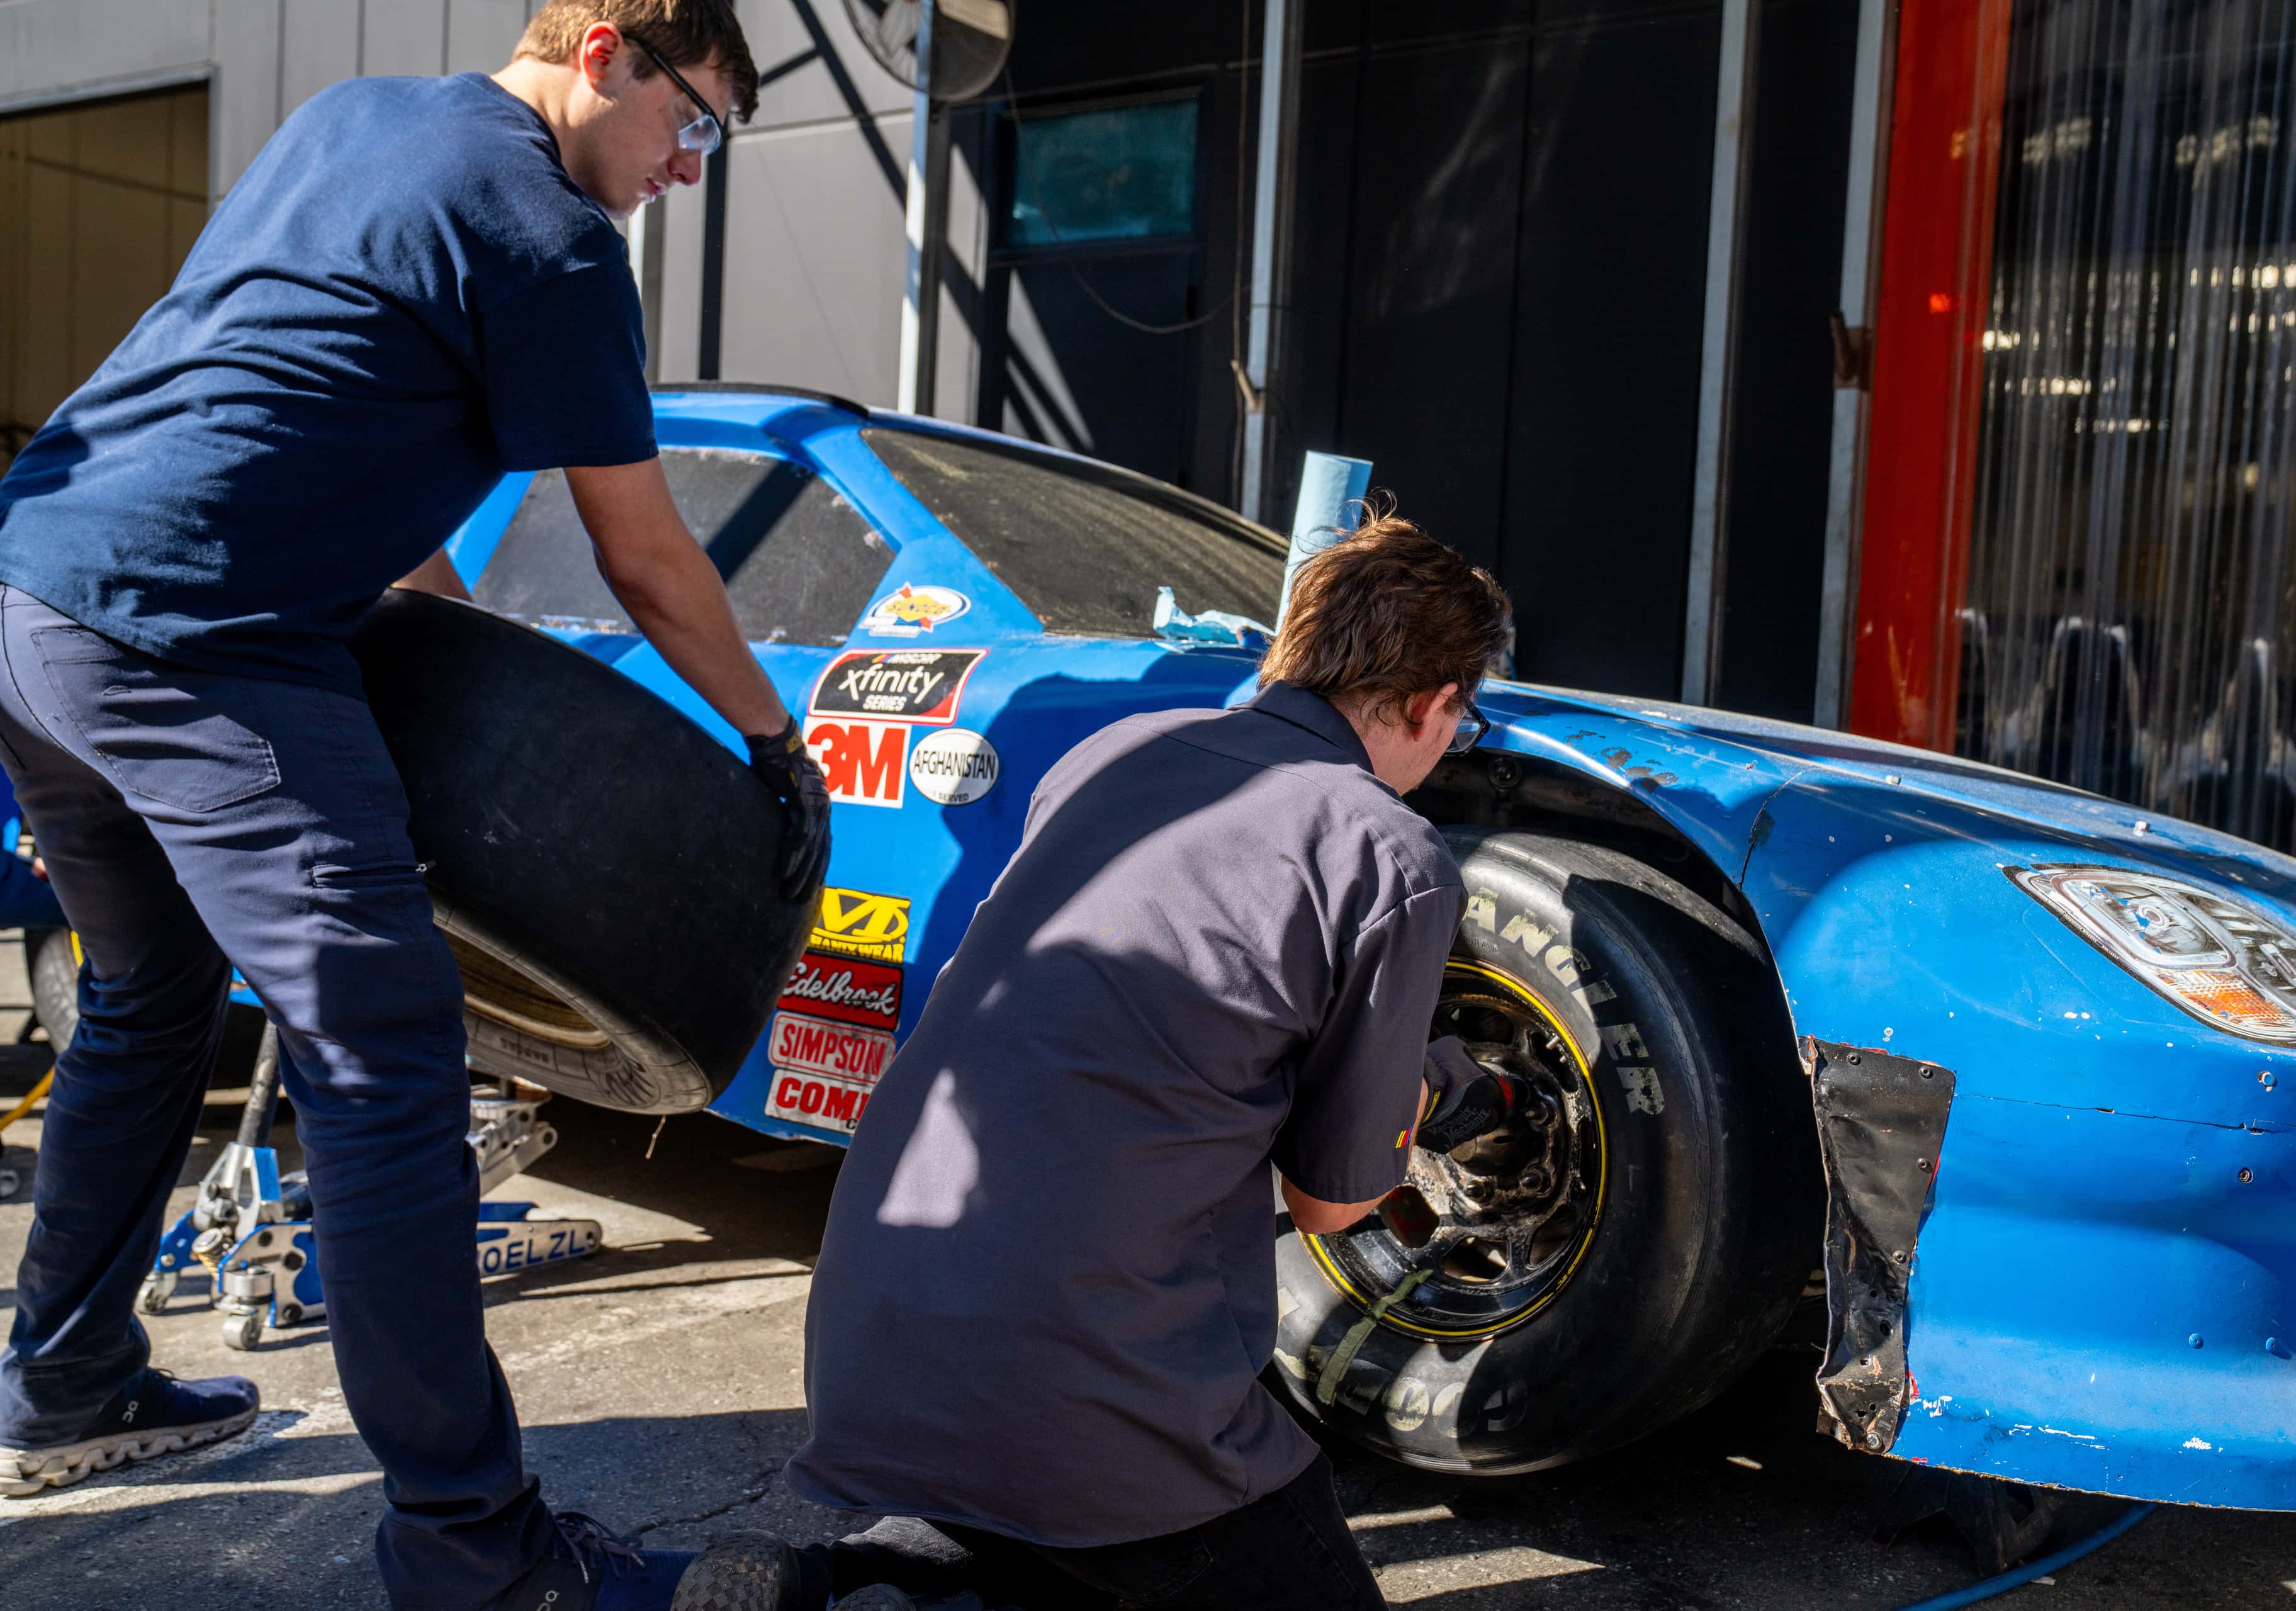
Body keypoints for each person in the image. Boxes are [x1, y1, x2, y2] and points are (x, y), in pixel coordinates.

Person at [0, 4, 827, 1608]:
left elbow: (306, 424)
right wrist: (770, 739)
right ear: (607, 50)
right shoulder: (552, 230)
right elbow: (647, 557)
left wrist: (464, 658)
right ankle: (479, 1551)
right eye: (696, 128)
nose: (687, 172)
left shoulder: (357, 120)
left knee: (152, 995)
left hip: (35, 602)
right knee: (385, 1065)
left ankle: (71, 1386)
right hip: (200, 638)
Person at [770, 515, 1518, 1611]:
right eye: (1464, 719)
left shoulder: (1112, 755)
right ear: (1430, 704)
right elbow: (1329, 1201)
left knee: (1042, 1551)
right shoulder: (1383, 847)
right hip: (1098, 1388)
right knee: (1202, 1537)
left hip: (876, 1337)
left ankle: (839, 1588)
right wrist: (1410, 1091)